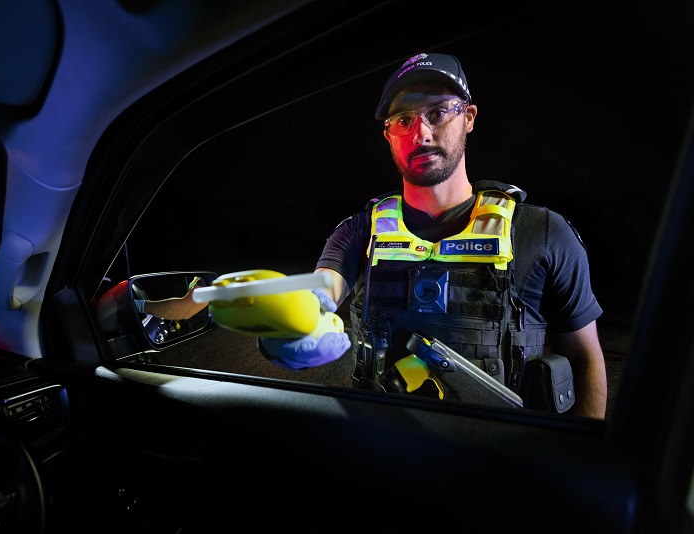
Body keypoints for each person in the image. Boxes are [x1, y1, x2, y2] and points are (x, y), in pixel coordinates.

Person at [258, 52, 608, 419]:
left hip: (505, 460)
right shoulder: (358, 232)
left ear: (469, 118)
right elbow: (320, 293)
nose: (420, 133)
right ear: (389, 136)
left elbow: (584, 357)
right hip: (382, 451)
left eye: (438, 113)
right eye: (403, 120)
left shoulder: (542, 233)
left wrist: (584, 459)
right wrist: (288, 321)